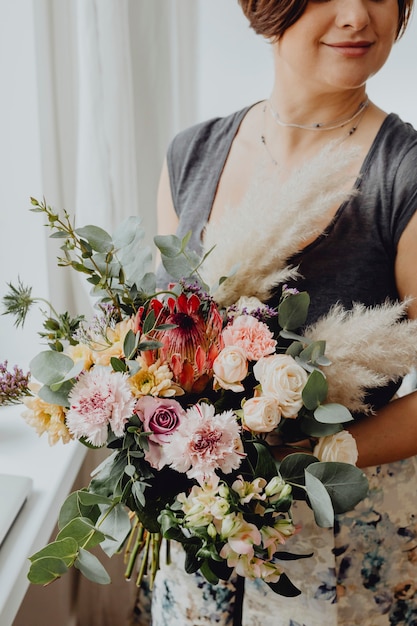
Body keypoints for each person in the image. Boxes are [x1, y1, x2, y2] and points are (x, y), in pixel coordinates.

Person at [151, 1, 417, 625]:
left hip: (339, 554)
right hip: (198, 550)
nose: (357, 15)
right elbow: (158, 342)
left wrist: (290, 460)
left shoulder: (402, 174)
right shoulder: (190, 155)